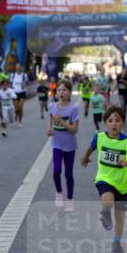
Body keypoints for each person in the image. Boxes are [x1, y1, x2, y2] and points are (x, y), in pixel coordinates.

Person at [80, 106, 127, 253]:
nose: (114, 124)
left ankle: (117, 244)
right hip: (104, 178)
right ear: (105, 123)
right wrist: (85, 157)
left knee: (120, 217)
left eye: (117, 121)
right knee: (107, 201)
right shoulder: (99, 138)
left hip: (123, 184)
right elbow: (91, 148)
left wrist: (126, 163)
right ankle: (105, 212)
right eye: (110, 121)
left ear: (122, 123)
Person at [47, 79, 80, 211]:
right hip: (56, 144)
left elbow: (75, 129)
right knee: (56, 171)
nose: (61, 92)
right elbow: (51, 118)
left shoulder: (73, 109)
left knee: (68, 174)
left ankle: (70, 199)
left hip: (70, 146)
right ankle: (59, 192)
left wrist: (61, 121)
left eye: (64, 90)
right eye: (59, 90)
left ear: (69, 93)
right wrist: (49, 129)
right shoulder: (52, 106)